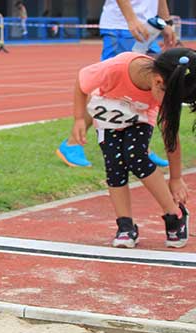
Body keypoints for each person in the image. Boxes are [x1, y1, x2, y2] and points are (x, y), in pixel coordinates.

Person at [66, 48, 194, 248]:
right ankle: (125, 226)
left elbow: (171, 137)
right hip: (109, 112)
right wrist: (79, 119)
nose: (174, 106)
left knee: (135, 157)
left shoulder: (164, 89)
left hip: (141, 116)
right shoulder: (116, 68)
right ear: (158, 83)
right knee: (115, 166)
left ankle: (174, 215)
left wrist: (176, 178)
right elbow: (82, 83)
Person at [56, 0, 176, 168]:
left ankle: (141, 146)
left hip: (148, 28)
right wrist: (131, 19)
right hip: (122, 27)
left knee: (147, 87)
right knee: (107, 90)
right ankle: (72, 143)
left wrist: (167, 22)